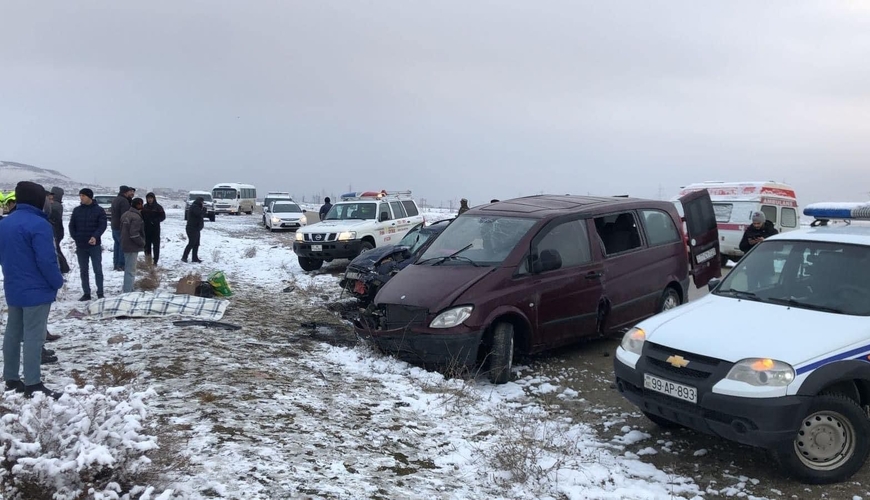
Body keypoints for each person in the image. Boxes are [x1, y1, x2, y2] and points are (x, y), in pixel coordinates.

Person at [0, 181, 64, 398]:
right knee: (34, 337)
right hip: (36, 288)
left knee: (13, 332)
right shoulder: (39, 225)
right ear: (37, 199)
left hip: (13, 286)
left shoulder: (5, 223)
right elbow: (46, 260)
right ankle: (33, 384)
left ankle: (11, 378)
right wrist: (57, 281)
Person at [69, 188, 108, 301]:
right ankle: (86, 293)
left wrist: (95, 236)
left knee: (97, 269)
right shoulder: (77, 210)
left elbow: (102, 225)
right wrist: (76, 238)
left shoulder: (99, 210)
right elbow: (72, 226)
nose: (81, 198)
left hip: (94, 245)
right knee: (83, 270)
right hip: (81, 245)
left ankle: (100, 292)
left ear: (90, 197)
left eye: (84, 196)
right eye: (80, 195)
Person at [121, 198, 146, 293]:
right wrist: (142, 242)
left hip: (125, 244)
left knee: (128, 268)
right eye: (141, 204)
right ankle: (128, 291)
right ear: (139, 204)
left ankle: (128, 288)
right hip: (132, 246)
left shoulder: (125, 214)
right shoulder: (136, 217)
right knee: (130, 270)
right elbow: (134, 234)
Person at [110, 185, 135, 271]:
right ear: (125, 192)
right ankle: (121, 265)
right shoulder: (124, 201)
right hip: (121, 226)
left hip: (114, 225)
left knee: (116, 245)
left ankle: (116, 263)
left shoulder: (115, 199)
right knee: (122, 245)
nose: (130, 193)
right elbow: (125, 215)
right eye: (128, 191)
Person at [46, 187, 70, 274]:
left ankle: (63, 267)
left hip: (55, 230)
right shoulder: (58, 205)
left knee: (56, 250)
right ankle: (64, 267)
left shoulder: (54, 205)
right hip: (58, 230)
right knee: (57, 249)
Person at [141, 192, 166, 265]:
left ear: (154, 198)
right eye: (148, 198)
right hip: (146, 229)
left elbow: (163, 217)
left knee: (156, 246)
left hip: (155, 229)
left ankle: (155, 261)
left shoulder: (158, 207)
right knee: (147, 246)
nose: (149, 200)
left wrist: (156, 220)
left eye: (151, 198)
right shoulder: (144, 207)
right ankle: (148, 260)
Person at [182, 196, 205, 263]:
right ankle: (184, 257)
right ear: (200, 202)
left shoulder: (196, 207)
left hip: (196, 228)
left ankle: (194, 258)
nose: (203, 204)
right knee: (191, 243)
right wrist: (203, 210)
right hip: (192, 228)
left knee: (196, 244)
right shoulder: (195, 207)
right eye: (202, 202)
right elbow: (199, 214)